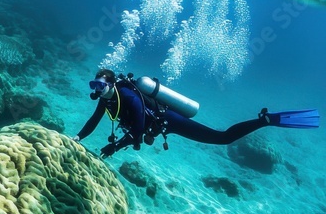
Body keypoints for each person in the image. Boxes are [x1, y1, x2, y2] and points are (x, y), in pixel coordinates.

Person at [73, 69, 320, 158]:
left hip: (167, 120)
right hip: (155, 126)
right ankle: (265, 120)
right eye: (93, 86)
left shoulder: (126, 95)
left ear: (111, 84)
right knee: (220, 138)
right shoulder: (107, 100)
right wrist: (78, 138)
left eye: (101, 85)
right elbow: (93, 121)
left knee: (221, 138)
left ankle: (265, 120)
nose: (97, 90)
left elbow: (137, 130)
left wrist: (116, 147)